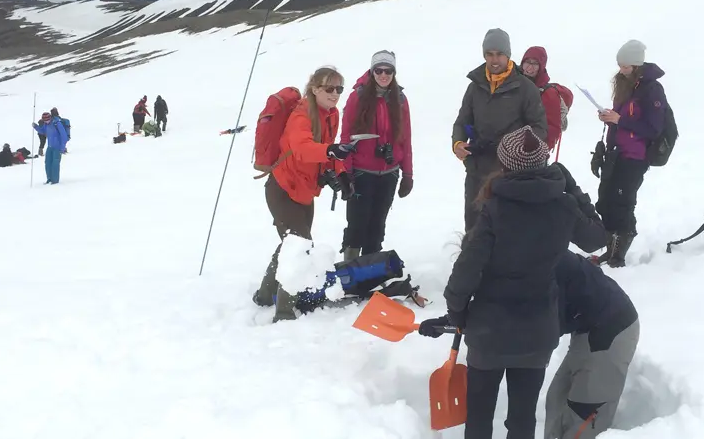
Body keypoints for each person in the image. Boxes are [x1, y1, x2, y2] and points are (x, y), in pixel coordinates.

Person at [420, 125, 600, 439]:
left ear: (505, 165)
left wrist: (459, 313)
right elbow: (596, 237)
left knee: (478, 417)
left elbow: (465, 272)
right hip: (537, 330)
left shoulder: (494, 209)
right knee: (522, 419)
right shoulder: (563, 205)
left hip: (490, 331)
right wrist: (573, 189)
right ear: (543, 162)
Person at [253, 66, 356, 323]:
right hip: (283, 189)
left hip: (305, 192)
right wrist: (331, 151)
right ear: (314, 88)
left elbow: (327, 150)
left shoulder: (332, 114)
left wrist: (341, 173)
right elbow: (302, 149)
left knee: (292, 244)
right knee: (299, 246)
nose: (335, 94)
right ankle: (285, 313)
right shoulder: (301, 114)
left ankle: (265, 295)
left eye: (339, 89)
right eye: (329, 88)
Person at [452, 28, 548, 232]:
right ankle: (474, 263)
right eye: (489, 54)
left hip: (510, 172)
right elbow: (461, 121)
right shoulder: (475, 86)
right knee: (475, 226)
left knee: (507, 227)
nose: (494, 60)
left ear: (508, 55)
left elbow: (539, 128)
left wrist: (514, 147)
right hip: (477, 170)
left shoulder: (525, 88)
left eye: (499, 54)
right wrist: (458, 143)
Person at [544, 251, 640, 439]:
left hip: (611, 330)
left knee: (584, 415)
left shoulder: (542, 264)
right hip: (585, 327)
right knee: (557, 398)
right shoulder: (525, 254)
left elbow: (547, 328)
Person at [592, 40, 667, 267]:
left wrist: (620, 120)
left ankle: (618, 256)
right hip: (616, 152)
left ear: (636, 65)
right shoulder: (626, 84)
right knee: (606, 201)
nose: (621, 70)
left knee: (623, 203)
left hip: (636, 155)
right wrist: (611, 116)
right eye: (619, 65)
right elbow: (625, 117)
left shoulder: (652, 89)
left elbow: (653, 128)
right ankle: (610, 249)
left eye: (625, 66)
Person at [338, 50, 413, 261]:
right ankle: (351, 269)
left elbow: (405, 139)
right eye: (379, 70)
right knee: (357, 224)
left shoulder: (400, 99)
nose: (383, 75)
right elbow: (346, 138)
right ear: (372, 72)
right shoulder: (357, 97)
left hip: (389, 173)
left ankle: (371, 269)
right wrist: (346, 173)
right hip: (362, 172)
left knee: (378, 224)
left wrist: (407, 174)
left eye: (388, 71)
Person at [520, 46, 574, 154]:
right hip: (509, 150)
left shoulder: (548, 94)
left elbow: (552, 129)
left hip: (533, 154)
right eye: (527, 62)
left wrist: (538, 153)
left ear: (541, 66)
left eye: (535, 64)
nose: (530, 68)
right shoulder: (515, 83)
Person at [32, 111, 68, 184]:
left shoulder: (57, 123)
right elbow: (42, 131)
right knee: (47, 163)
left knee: (55, 163)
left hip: (57, 147)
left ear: (50, 118)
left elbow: (64, 136)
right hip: (50, 146)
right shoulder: (46, 125)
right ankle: (49, 178)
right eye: (44, 120)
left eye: (47, 120)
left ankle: (55, 180)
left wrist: (62, 147)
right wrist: (36, 127)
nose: (46, 122)